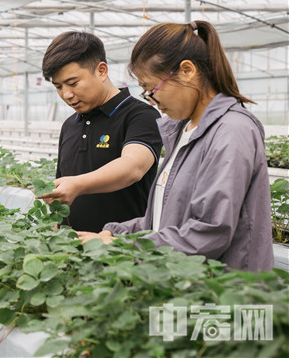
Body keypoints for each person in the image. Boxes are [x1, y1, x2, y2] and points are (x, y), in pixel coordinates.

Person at [80, 21, 273, 273]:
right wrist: (115, 231)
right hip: (185, 286)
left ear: (187, 71)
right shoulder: (182, 131)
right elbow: (164, 220)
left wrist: (119, 244)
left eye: (151, 88)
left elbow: (210, 231)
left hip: (226, 293)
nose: (151, 100)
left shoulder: (232, 130)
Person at [38, 31, 162, 233]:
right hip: (73, 253)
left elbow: (133, 167)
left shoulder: (141, 116)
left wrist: (78, 185)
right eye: (58, 87)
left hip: (122, 252)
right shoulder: (70, 125)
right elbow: (62, 189)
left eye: (73, 83)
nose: (67, 94)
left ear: (101, 71)